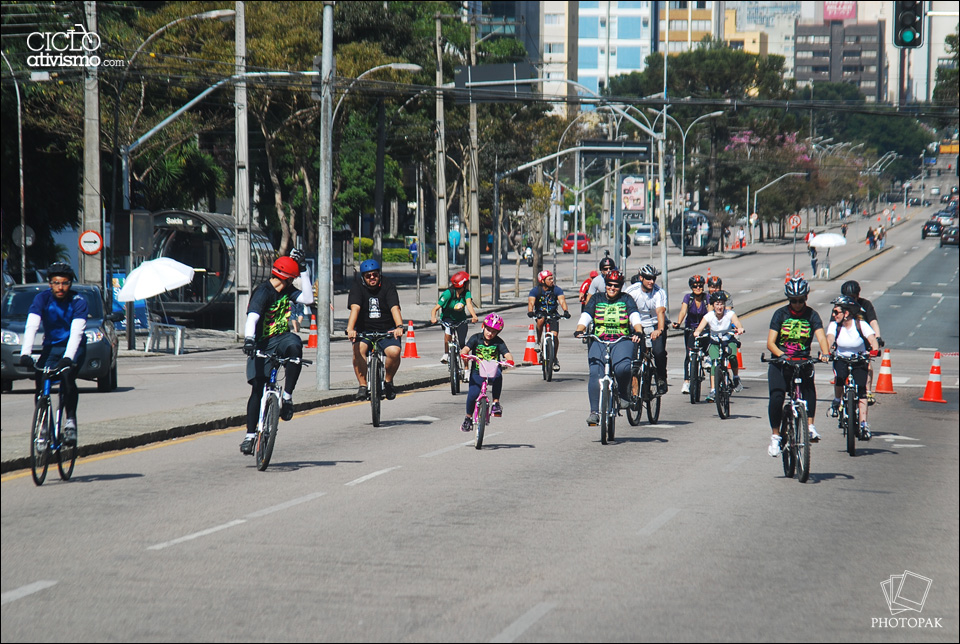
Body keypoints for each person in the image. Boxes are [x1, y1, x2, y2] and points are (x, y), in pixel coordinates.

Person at [240, 250, 314, 455]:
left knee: (295, 347)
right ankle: (249, 436)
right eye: (294, 277)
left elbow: (308, 299)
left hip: (281, 338)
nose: (295, 281)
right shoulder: (263, 292)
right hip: (261, 343)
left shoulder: (286, 290)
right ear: (288, 278)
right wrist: (249, 340)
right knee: (257, 389)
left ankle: (287, 397)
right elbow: (252, 318)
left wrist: (304, 270)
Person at [18, 263, 87, 446]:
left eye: (64, 283)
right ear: (50, 284)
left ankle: (70, 421)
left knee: (67, 376)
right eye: (56, 283)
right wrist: (26, 353)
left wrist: (68, 358)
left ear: (70, 284)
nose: (60, 287)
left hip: (74, 346)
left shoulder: (78, 301)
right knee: (40, 379)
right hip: (51, 346)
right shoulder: (42, 299)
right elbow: (31, 326)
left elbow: (77, 333)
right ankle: (43, 426)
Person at [765, 277, 831, 457]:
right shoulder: (780, 314)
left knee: (809, 389)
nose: (797, 304)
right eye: (793, 301)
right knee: (777, 397)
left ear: (806, 298)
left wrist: (825, 353)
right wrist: (782, 355)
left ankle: (809, 426)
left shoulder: (812, 315)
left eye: (801, 300)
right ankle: (776, 437)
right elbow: (770, 343)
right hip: (781, 362)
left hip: (802, 361)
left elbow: (822, 337)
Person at [574, 270, 645, 426]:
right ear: (605, 285)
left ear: (620, 286)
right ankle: (594, 412)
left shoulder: (627, 299)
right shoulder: (597, 298)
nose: (612, 288)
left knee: (623, 368)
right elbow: (586, 315)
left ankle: (623, 395)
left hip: (622, 340)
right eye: (609, 285)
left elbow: (634, 316)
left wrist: (638, 331)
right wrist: (580, 329)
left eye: (616, 285)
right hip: (599, 339)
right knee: (594, 374)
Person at [346, 259, 405, 401]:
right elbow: (355, 308)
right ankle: (362, 386)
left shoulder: (388, 285)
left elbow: (394, 308)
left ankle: (388, 382)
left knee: (394, 352)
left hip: (387, 330)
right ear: (363, 278)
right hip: (364, 330)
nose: (372, 277)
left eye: (375, 274)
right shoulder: (357, 288)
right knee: (358, 350)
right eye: (368, 276)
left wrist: (399, 326)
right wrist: (350, 329)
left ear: (379, 274)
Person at [826, 295, 880, 440]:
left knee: (862, 390)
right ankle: (837, 400)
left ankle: (863, 424)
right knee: (839, 378)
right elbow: (830, 338)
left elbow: (872, 339)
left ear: (846, 313)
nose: (834, 315)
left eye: (836, 312)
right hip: (841, 358)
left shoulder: (860, 324)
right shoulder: (834, 325)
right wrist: (827, 350)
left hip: (859, 359)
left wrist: (874, 350)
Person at [459, 314, 515, 432]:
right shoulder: (476, 338)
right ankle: (468, 418)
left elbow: (507, 353)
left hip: (492, 371)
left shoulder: (499, 342)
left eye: (494, 332)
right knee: (472, 395)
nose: (490, 333)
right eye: (488, 330)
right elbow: (466, 348)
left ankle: (496, 403)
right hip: (477, 372)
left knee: (499, 376)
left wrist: (509, 360)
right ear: (483, 326)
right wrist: (464, 353)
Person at [692, 290, 745, 401]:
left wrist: (739, 328)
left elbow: (736, 322)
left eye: (721, 304)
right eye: (717, 304)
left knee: (732, 356)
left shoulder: (729, 314)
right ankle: (713, 390)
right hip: (715, 342)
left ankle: (735, 377)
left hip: (728, 339)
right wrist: (697, 332)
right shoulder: (709, 316)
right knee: (714, 363)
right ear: (713, 305)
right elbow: (700, 327)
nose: (719, 307)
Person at [624, 263, 669, 395]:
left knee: (659, 352)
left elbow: (660, 312)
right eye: (648, 278)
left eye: (653, 278)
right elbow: (624, 311)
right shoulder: (632, 291)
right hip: (637, 325)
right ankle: (635, 388)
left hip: (655, 324)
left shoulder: (659, 293)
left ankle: (661, 378)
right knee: (635, 356)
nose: (651, 281)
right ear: (641, 278)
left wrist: (659, 330)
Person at [840, 280, 883, 404]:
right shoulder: (840, 306)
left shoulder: (865, 305)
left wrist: (878, 337)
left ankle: (867, 391)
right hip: (846, 340)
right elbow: (834, 324)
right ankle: (841, 396)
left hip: (864, 340)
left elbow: (873, 322)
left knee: (867, 365)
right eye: (847, 297)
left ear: (858, 295)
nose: (850, 300)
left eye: (853, 297)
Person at [527, 270, 571, 371]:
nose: (552, 280)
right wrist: (530, 311)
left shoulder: (556, 290)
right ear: (542, 281)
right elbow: (531, 302)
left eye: (552, 278)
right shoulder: (535, 290)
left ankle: (554, 358)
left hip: (552, 313)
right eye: (549, 279)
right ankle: (538, 342)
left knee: (554, 336)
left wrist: (565, 311)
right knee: (540, 320)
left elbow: (562, 301)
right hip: (540, 313)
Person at [430, 270, 478, 363]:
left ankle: (466, 370)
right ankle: (446, 353)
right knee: (447, 331)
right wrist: (433, 317)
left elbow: (469, 304)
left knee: (463, 344)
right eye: (467, 282)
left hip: (461, 319)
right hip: (448, 318)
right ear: (463, 284)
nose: (468, 284)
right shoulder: (448, 293)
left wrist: (474, 316)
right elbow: (435, 309)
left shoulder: (466, 293)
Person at [672, 274, 708, 394]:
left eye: (700, 286)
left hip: (704, 329)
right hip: (691, 330)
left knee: (707, 350)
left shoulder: (706, 298)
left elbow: (711, 312)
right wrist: (678, 322)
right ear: (691, 287)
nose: (698, 288)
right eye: (695, 286)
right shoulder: (688, 298)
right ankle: (687, 381)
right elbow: (683, 311)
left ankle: (706, 360)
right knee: (689, 355)